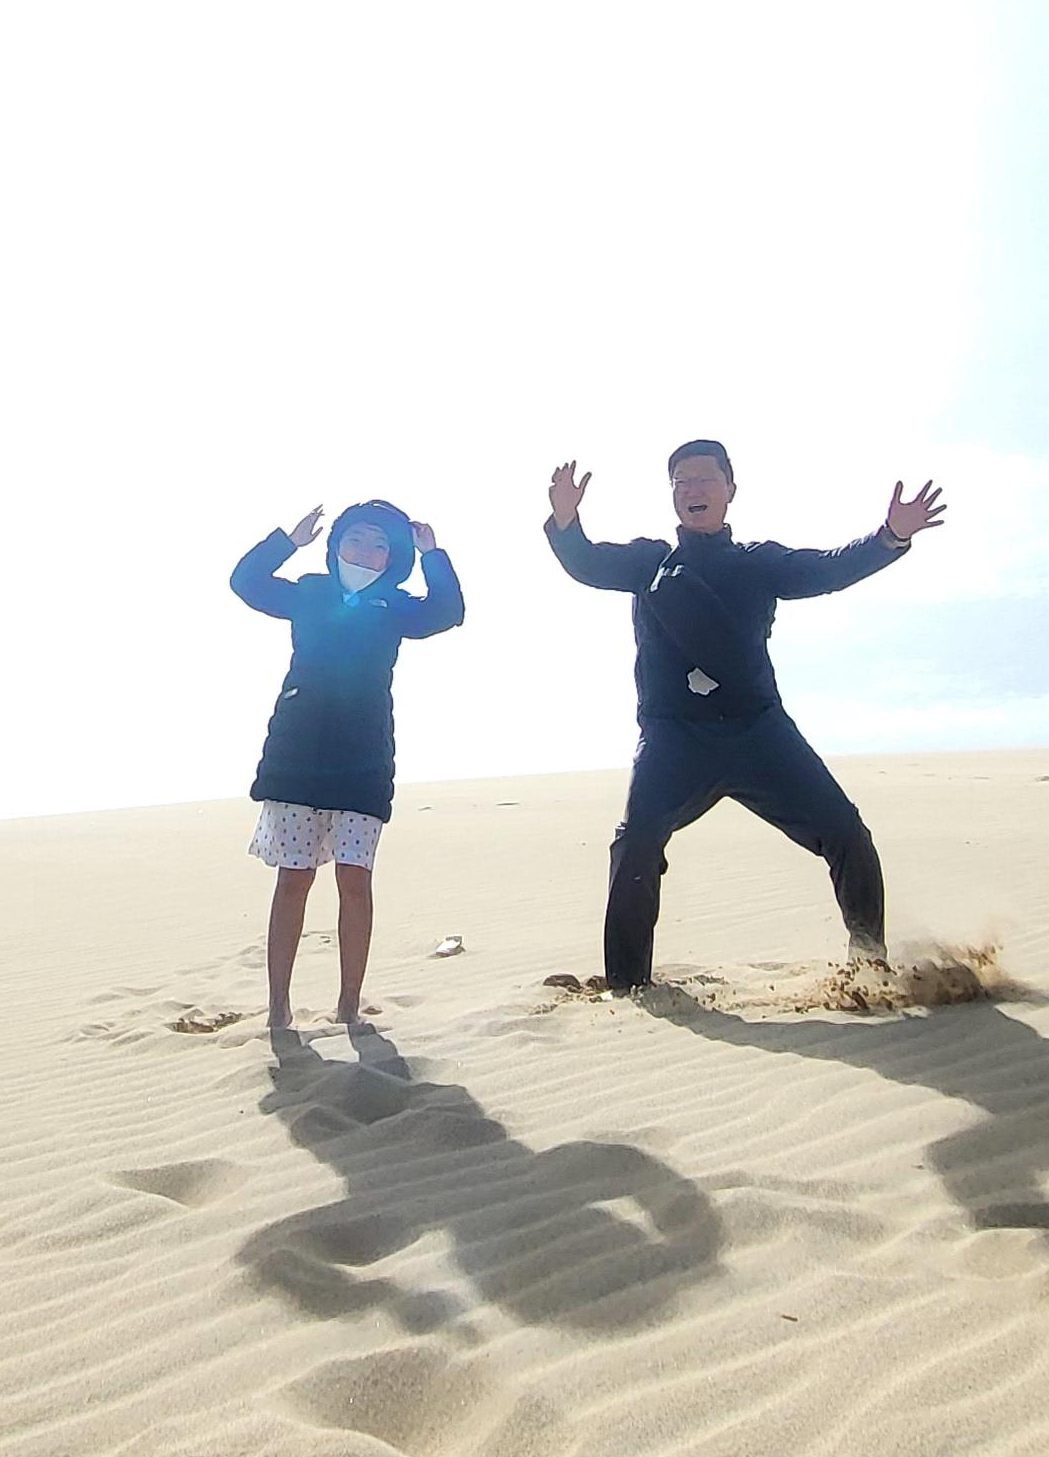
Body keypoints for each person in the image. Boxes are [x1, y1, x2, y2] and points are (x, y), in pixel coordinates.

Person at [546, 442, 944, 994]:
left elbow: (826, 569)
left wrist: (888, 538)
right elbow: (586, 562)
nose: (693, 490)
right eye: (681, 482)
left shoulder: (757, 561)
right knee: (636, 840)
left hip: (758, 731)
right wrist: (566, 524)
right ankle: (627, 986)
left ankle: (869, 967)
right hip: (674, 736)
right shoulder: (649, 562)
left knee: (847, 833)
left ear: (730, 488)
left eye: (705, 479)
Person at [231, 501, 465, 1032]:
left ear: (393, 557)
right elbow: (245, 582)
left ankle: (349, 1006)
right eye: (357, 539)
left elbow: (448, 612)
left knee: (355, 879)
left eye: (380, 544)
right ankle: (277, 1007)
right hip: (297, 756)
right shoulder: (311, 593)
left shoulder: (395, 606)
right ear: (336, 545)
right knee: (294, 878)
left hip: (362, 759)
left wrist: (434, 556)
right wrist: (287, 542)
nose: (366, 551)